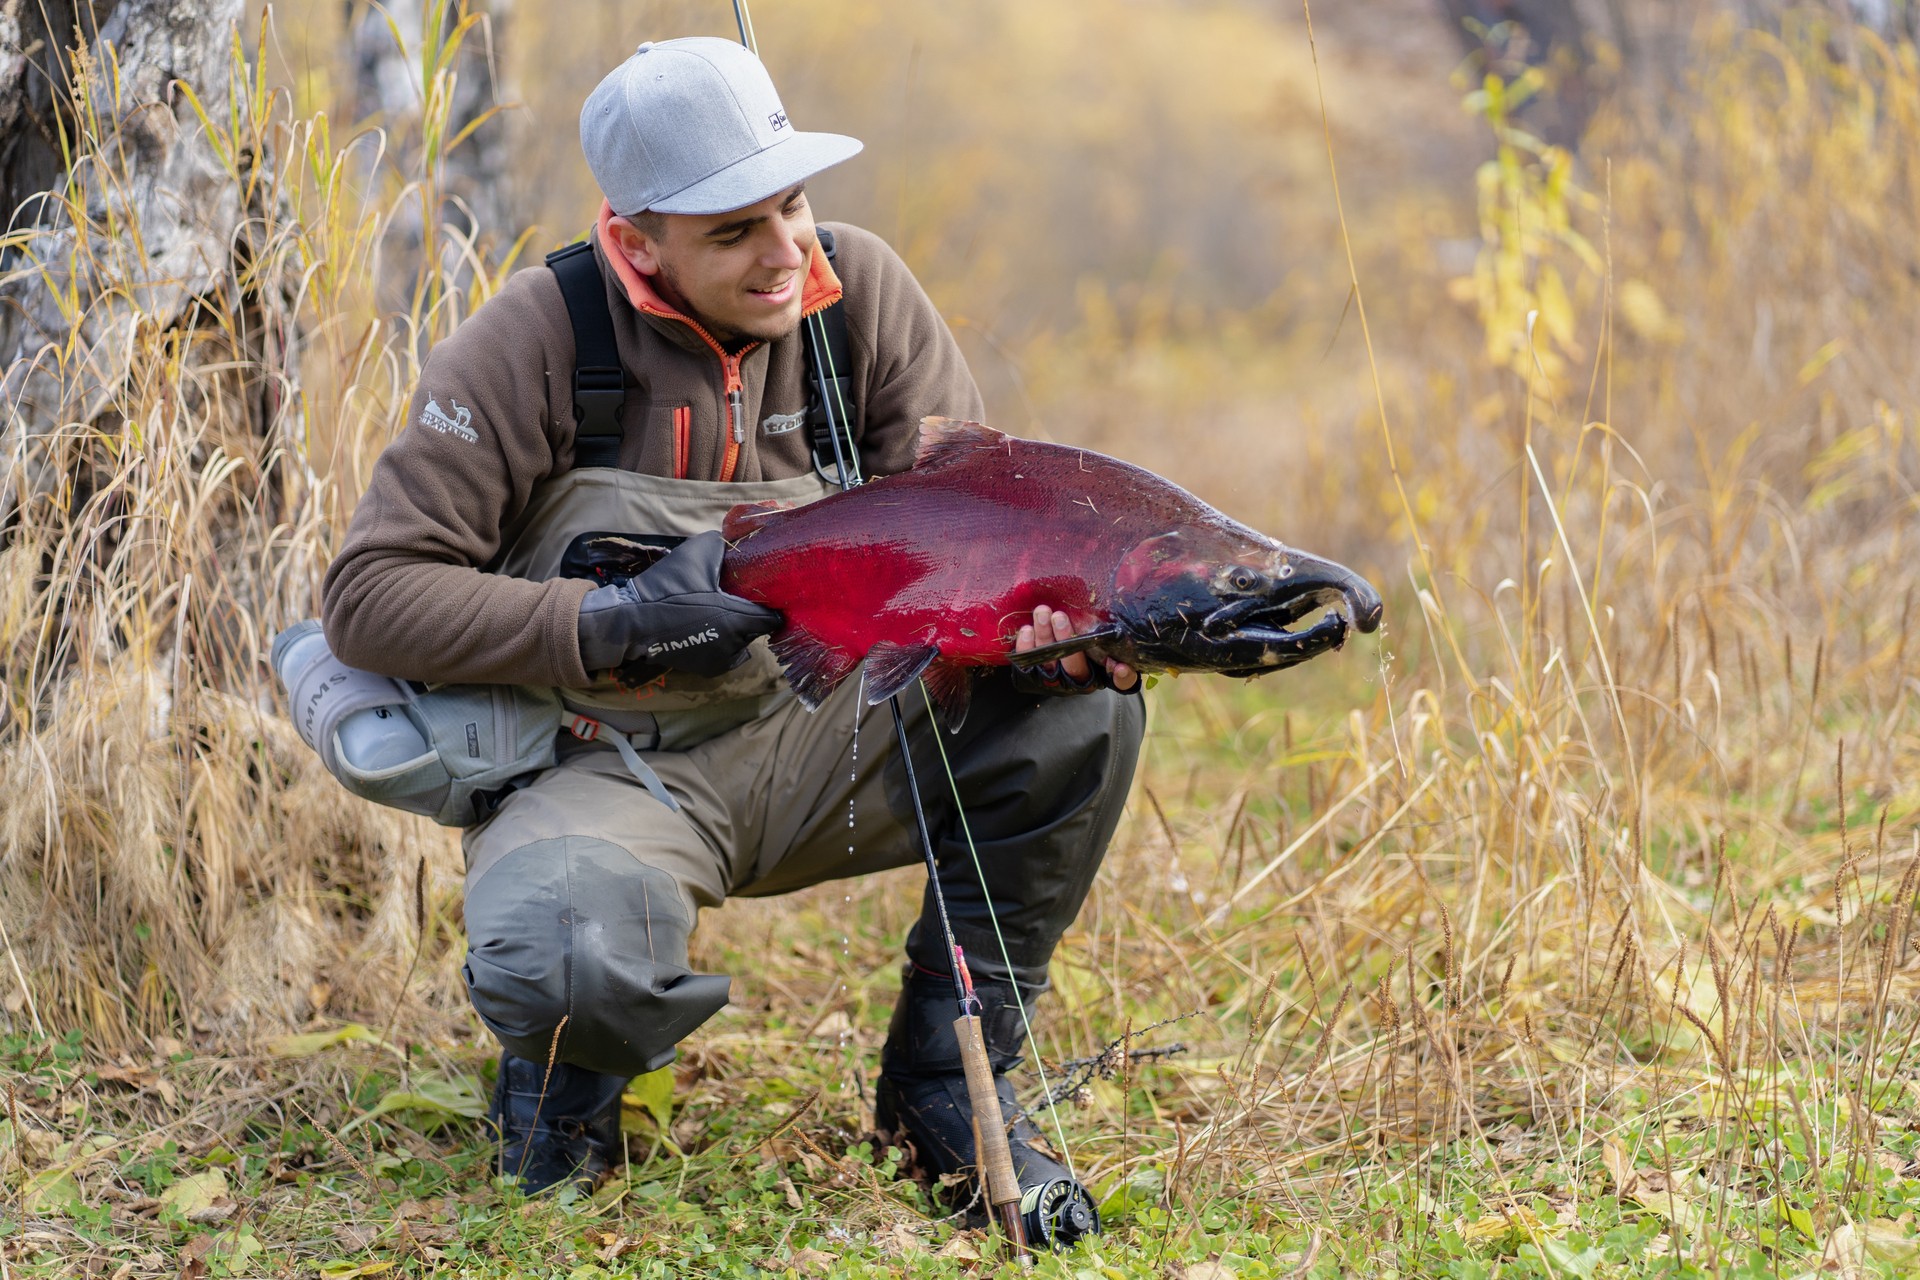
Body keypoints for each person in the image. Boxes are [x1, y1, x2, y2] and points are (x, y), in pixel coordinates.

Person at [320, 36, 1145, 1231]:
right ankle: (572, 1075)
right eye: (732, 231)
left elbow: (972, 544)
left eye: (793, 205)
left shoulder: (858, 299)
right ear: (637, 238)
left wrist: (1038, 634)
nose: (784, 251)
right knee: (560, 952)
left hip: (831, 734)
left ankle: (944, 1088)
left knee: (1081, 709)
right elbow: (371, 594)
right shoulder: (537, 339)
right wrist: (612, 621)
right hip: (609, 762)